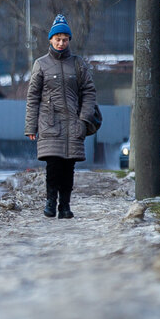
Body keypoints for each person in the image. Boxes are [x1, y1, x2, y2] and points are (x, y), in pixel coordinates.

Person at [24, 14, 98, 219]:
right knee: (53, 165)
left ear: (69, 41)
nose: (61, 43)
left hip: (74, 123)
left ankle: (65, 206)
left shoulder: (78, 64)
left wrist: (84, 119)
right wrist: (31, 127)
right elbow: (33, 97)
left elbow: (89, 92)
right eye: (57, 39)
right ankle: (50, 203)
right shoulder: (41, 64)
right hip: (50, 123)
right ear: (50, 40)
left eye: (65, 39)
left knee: (68, 167)